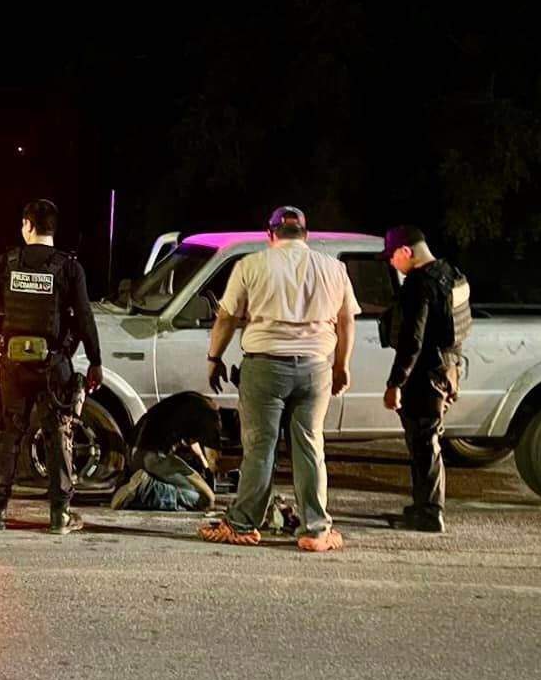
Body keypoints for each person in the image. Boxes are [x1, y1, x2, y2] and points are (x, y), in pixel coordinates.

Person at [198, 205, 358, 552]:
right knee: (310, 446)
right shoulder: (333, 268)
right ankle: (315, 530)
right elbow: (346, 321)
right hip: (316, 368)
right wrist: (342, 365)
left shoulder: (251, 265)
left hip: (264, 366)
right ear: (306, 234)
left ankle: (242, 524)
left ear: (270, 234)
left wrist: (214, 358)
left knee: (259, 448)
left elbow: (226, 318)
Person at [0, 199, 103, 535]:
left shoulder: (7, 262)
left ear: (27, 225)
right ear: (53, 229)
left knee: (8, 434)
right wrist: (95, 362)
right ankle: (60, 515)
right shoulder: (69, 267)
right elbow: (85, 318)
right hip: (53, 365)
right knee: (59, 435)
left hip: (13, 366)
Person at [379, 225, 472, 534]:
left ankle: (430, 513)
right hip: (447, 369)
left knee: (423, 443)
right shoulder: (450, 274)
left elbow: (412, 341)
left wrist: (395, 384)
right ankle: (423, 507)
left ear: (406, 252)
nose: (392, 264)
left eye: (392, 257)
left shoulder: (419, 284)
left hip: (424, 375)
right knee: (426, 440)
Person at [109, 391, 220, 512]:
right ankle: (145, 489)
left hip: (132, 454)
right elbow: (214, 461)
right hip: (152, 456)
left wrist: (202, 462)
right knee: (205, 499)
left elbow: (194, 445)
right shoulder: (210, 417)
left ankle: (132, 484)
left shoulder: (191, 402)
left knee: (187, 483)